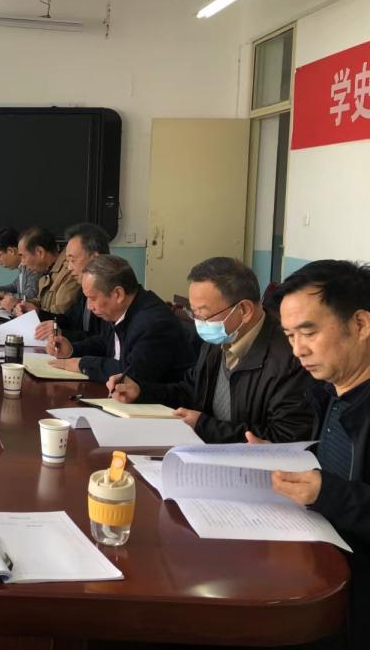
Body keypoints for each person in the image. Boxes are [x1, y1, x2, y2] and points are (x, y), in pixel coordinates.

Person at [252, 260, 370, 648]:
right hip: (319, 561)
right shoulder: (331, 391)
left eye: (309, 332)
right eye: (289, 336)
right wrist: (284, 458)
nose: (298, 350)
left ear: (361, 324)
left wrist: (325, 492)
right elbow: (337, 463)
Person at [108, 257, 314, 443]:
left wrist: (205, 426)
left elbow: (285, 438)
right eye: (194, 313)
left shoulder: (291, 357)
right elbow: (190, 391)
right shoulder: (219, 338)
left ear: (244, 310)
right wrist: (141, 391)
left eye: (204, 314)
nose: (199, 322)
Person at [48, 254, 194, 383]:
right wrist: (72, 349)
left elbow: (130, 374)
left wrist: (82, 364)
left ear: (118, 294)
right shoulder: (122, 309)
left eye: (93, 298)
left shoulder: (153, 323)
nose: (89, 306)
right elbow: (105, 342)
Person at [35, 222, 109, 342]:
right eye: (67, 261)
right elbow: (70, 320)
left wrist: (63, 334)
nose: (69, 268)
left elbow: (103, 341)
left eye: (72, 260)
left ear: (95, 258)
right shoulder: (83, 289)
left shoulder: (109, 293)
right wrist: (37, 313)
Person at [11, 226, 80, 316]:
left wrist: (37, 312)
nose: (22, 263)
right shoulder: (45, 271)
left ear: (40, 252)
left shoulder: (70, 271)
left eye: (23, 256)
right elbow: (41, 302)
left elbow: (60, 314)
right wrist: (20, 304)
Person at [0, 227, 39, 310]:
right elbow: (14, 287)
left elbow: (29, 297)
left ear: (11, 251)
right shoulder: (22, 267)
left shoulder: (32, 266)